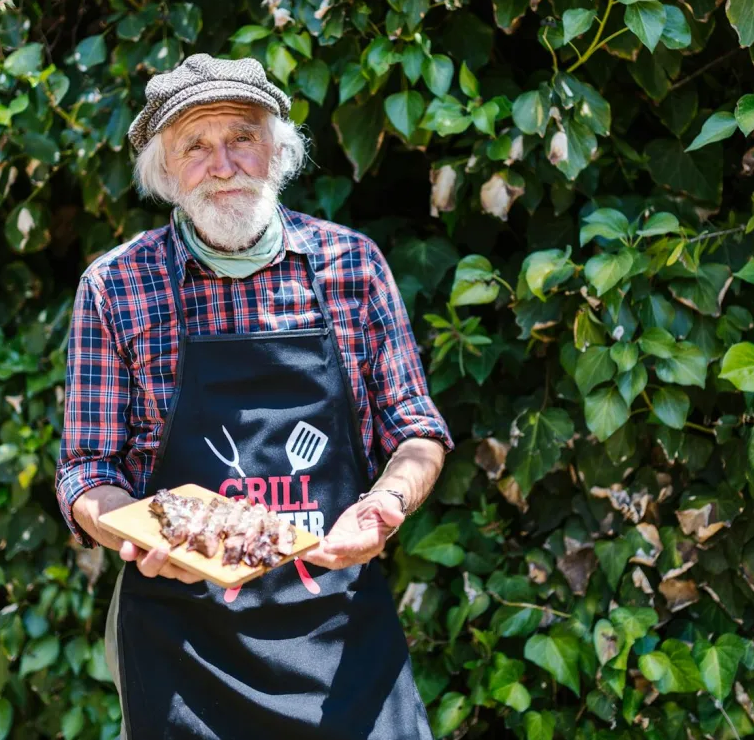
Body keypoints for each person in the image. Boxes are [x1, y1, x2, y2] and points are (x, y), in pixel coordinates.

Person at [56, 52, 455, 739]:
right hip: (183, 645)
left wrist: (386, 505)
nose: (223, 163)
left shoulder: (350, 267)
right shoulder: (116, 287)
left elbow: (415, 429)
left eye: (241, 136)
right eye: (195, 147)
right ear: (165, 173)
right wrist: (135, 530)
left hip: (337, 634)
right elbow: (87, 470)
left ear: (277, 150)